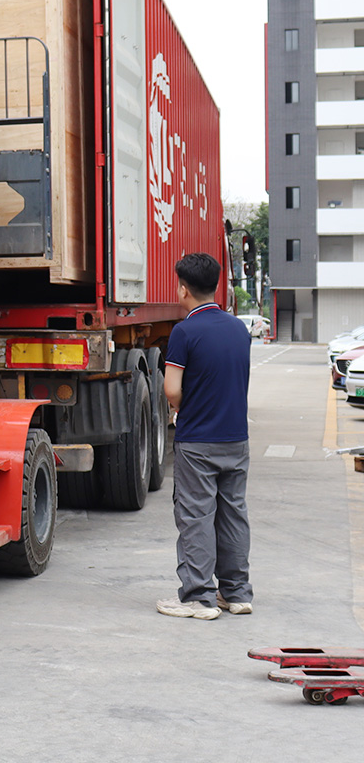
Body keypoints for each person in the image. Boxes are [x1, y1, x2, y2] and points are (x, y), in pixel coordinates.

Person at [156, 251, 253, 620]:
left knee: (196, 515)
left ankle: (198, 597)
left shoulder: (185, 332)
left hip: (198, 440)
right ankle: (236, 593)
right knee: (233, 514)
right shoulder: (238, 329)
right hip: (236, 438)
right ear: (215, 286)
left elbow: (171, 389)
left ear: (183, 289)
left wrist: (187, 406)